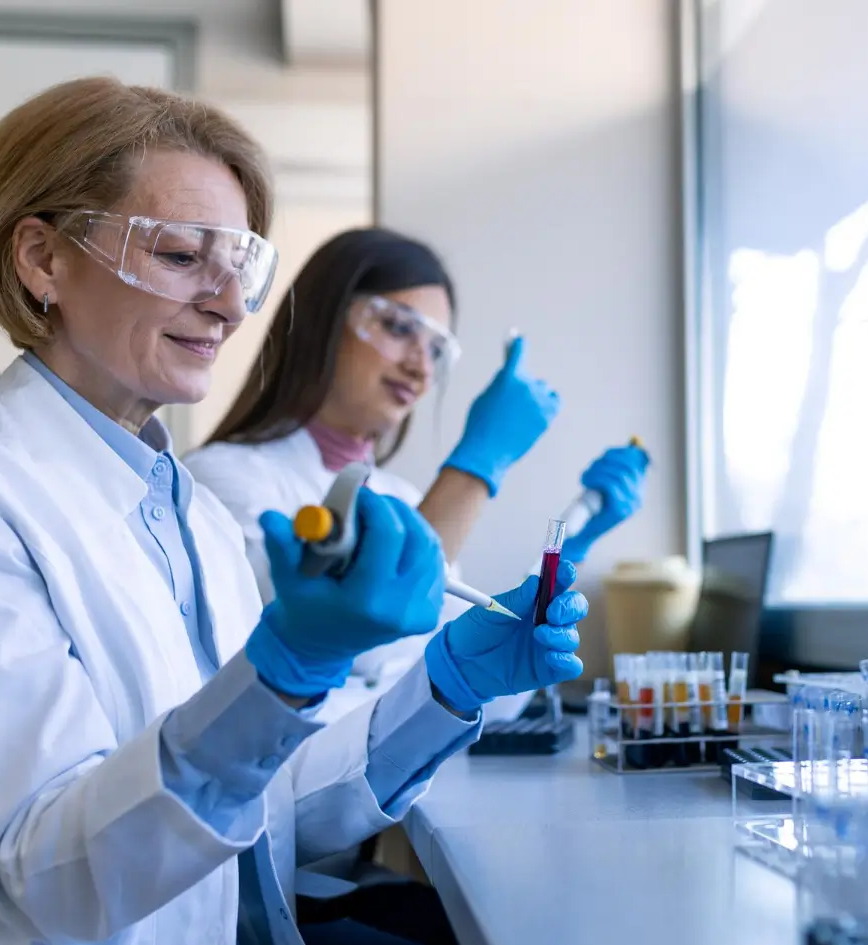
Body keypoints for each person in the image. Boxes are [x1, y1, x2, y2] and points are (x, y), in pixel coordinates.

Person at [0, 77, 589, 945]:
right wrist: (284, 672)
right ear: (42, 260)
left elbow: (271, 811)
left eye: (238, 266)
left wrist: (447, 690)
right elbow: (52, 872)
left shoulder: (195, 520)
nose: (229, 305)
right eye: (179, 255)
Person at [185, 228, 649, 714]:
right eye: (400, 327)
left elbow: (482, 688)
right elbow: (364, 629)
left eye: (435, 349)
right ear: (321, 320)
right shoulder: (220, 480)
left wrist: (565, 550)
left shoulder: (402, 499)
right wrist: (478, 465)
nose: (421, 368)